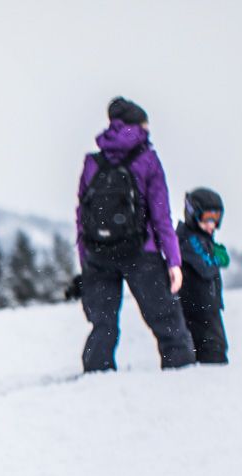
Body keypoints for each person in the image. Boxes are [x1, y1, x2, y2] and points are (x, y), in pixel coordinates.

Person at [75, 97, 195, 373]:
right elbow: (161, 214)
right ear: (140, 125)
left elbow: (82, 213)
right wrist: (173, 261)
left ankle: (96, 378)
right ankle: (182, 374)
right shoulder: (147, 160)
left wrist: (85, 256)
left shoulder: (93, 162)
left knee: (103, 324)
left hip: (98, 251)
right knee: (167, 322)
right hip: (141, 252)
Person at [176, 187, 230, 364]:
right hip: (196, 310)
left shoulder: (201, 238)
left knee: (217, 348)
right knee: (211, 351)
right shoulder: (188, 238)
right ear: (193, 214)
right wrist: (217, 257)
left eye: (216, 219)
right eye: (206, 218)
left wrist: (215, 252)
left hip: (207, 308)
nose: (211, 225)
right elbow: (205, 266)